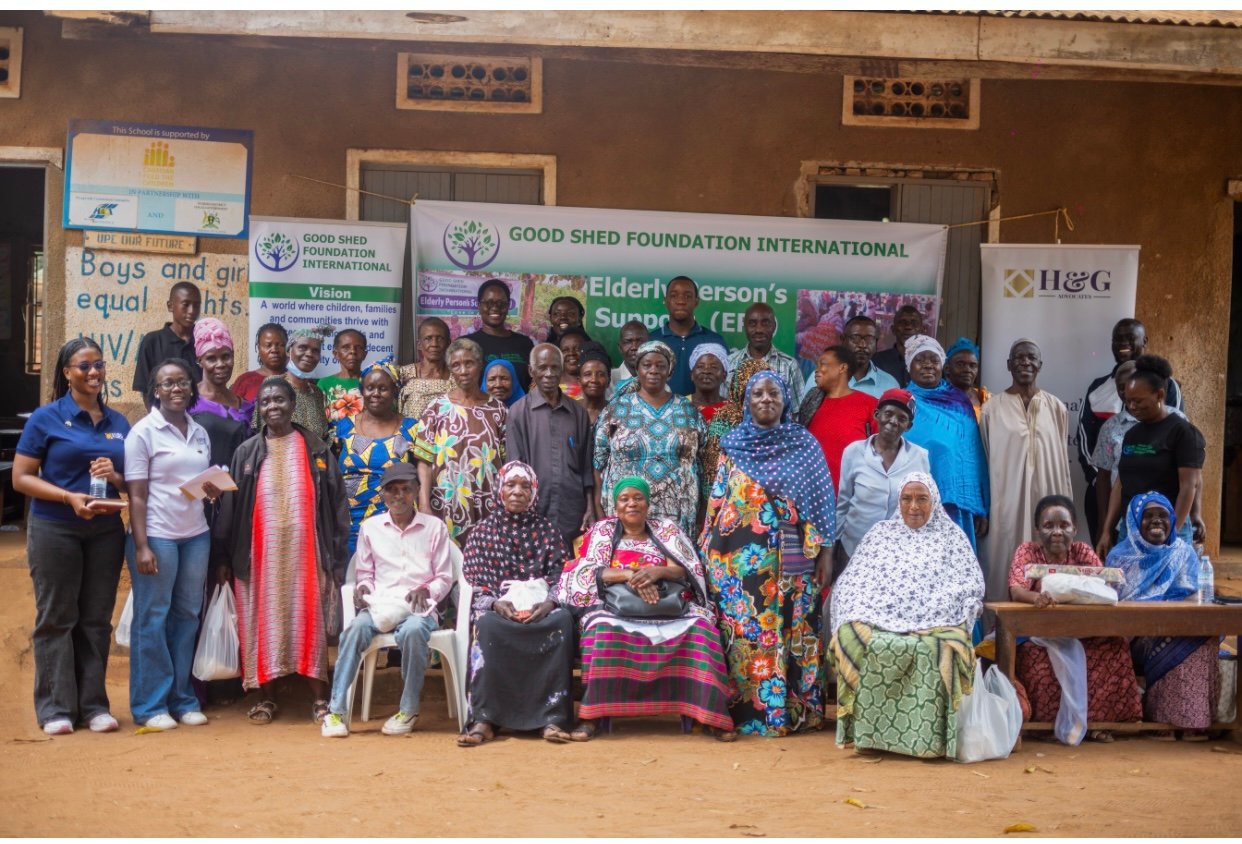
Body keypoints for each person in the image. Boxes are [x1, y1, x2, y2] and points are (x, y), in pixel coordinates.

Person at [701, 371, 836, 736]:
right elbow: (717, 499)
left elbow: (823, 503)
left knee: (795, 632)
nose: (765, 399)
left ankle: (794, 714)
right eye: (757, 393)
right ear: (746, 401)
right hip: (737, 565)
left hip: (792, 560)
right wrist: (706, 551)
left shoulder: (804, 444)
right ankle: (749, 715)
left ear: (785, 399)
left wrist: (825, 553)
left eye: (773, 392)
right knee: (746, 637)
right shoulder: (732, 444)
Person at [213, 376, 350, 725]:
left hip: (308, 556)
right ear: (259, 409)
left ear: (293, 404)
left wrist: (335, 557)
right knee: (262, 623)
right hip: (258, 558)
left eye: (280, 400)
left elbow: (336, 505)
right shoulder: (247, 452)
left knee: (310, 622)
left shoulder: (316, 448)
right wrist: (226, 558)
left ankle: (320, 699)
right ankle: (266, 697)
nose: (273, 406)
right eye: (266, 401)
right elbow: (231, 509)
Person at [557, 477, 735, 741]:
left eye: (638, 498)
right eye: (624, 499)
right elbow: (584, 571)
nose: (632, 504)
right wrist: (630, 576)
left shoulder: (666, 529)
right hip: (617, 607)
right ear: (614, 505)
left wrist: (657, 572)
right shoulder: (603, 531)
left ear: (648, 503)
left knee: (702, 630)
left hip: (668, 605)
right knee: (600, 632)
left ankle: (709, 714)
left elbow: (689, 568)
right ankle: (591, 715)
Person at [14, 338, 129, 735]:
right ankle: (56, 709)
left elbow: (130, 482)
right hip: (55, 527)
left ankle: (94, 706)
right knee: (57, 618)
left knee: (96, 620)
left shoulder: (118, 423)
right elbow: (21, 478)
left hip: (105, 531)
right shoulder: (46, 419)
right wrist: (68, 496)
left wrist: (115, 477)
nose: (94, 372)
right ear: (67, 373)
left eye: (98, 364)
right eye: (84, 366)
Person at [829, 472, 985, 758]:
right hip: (879, 620)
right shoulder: (880, 534)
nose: (914, 506)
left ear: (934, 501)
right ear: (898, 502)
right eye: (906, 499)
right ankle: (866, 736)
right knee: (851, 635)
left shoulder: (951, 538)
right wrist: (870, 611)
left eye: (922, 499)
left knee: (942, 648)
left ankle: (928, 741)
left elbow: (970, 585)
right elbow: (853, 582)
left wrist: (931, 611)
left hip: (936, 623)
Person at [320, 463, 451, 738]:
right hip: (381, 605)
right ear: (383, 495)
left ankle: (409, 709)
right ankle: (336, 712)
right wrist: (362, 589)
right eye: (392, 490)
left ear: (416, 491)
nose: (399, 496)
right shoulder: (371, 528)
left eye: (405, 489)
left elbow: (444, 577)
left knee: (414, 632)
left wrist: (426, 590)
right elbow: (365, 574)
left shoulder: (435, 528)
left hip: (418, 608)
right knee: (354, 630)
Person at [124, 358, 216, 731]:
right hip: (157, 537)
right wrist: (142, 545)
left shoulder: (199, 432)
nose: (176, 388)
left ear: (192, 387)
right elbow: (138, 496)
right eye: (168, 383)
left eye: (182, 382)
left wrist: (210, 490)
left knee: (187, 617)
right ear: (155, 391)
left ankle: (182, 699)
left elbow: (195, 485)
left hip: (195, 536)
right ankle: (149, 706)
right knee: (153, 618)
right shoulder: (143, 433)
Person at [1008, 495, 1141, 744]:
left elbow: (1103, 584)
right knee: (1037, 660)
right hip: (1039, 633)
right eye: (1049, 526)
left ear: (1074, 529)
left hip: (1082, 629)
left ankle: (1101, 724)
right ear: (1038, 529)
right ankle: (1045, 726)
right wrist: (1035, 598)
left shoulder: (1081, 551)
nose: (1057, 532)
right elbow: (1016, 589)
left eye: (1064, 525)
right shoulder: (1028, 551)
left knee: (1114, 648)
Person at [458, 462, 575, 746]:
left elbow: (564, 577)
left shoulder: (548, 531)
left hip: (540, 610)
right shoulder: (483, 531)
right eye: (511, 485)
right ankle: (485, 719)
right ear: (500, 489)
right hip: (500, 610)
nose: (517, 492)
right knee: (486, 624)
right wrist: (496, 604)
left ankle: (551, 719)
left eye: (525, 486)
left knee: (562, 622)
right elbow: (474, 581)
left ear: (534, 492)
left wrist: (549, 603)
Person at [1109, 492, 1217, 740]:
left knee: (1203, 640)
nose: (1156, 521)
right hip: (1133, 634)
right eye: (1148, 516)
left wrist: (1164, 612)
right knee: (1167, 639)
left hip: (1174, 624)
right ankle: (1161, 720)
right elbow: (1112, 602)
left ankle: (1192, 723)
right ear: (1135, 522)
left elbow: (1193, 597)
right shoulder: (1119, 557)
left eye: (1162, 515)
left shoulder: (1183, 552)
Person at [980, 339, 1072, 601]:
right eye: (1018, 358)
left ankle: (1048, 624)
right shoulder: (991, 409)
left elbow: (1061, 455)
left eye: (1031, 358)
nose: (1025, 362)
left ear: (1040, 365)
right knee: (1004, 554)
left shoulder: (1056, 407)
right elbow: (987, 455)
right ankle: (999, 631)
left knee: (1050, 551)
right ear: (1009, 365)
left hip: (1049, 493)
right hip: (1005, 499)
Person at [1078, 319, 1184, 540]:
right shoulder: (1098, 388)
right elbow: (1085, 438)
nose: (1132, 403)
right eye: (1117, 338)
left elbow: (1177, 438)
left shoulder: (1167, 385)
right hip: (1109, 488)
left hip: (1160, 494)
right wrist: (1099, 478)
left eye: (1129, 337)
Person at [594, 340, 705, 537]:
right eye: (647, 365)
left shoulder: (688, 412)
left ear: (669, 371)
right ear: (637, 369)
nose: (653, 370)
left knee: (673, 567)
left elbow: (703, 463)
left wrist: (703, 514)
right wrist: (597, 506)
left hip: (679, 513)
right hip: (628, 511)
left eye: (660, 366)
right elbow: (598, 462)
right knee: (630, 565)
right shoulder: (616, 409)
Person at [1097, 355, 1205, 557]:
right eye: (1128, 401)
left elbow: (1189, 486)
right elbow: (1120, 484)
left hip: (1167, 529)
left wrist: (1171, 538)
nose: (1132, 407)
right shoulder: (1132, 435)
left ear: (1159, 394)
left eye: (1138, 401)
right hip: (1131, 530)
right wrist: (1106, 530)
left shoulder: (1183, 432)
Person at [413, 337, 507, 543]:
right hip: (446, 503)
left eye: (469, 363)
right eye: (456, 365)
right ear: (450, 369)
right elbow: (424, 461)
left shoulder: (498, 410)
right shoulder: (436, 408)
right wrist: (424, 502)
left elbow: (506, 463)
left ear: (480, 365)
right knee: (446, 565)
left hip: (488, 504)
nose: (463, 371)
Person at [901, 335, 990, 551]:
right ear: (909, 366)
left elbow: (973, 457)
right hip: (909, 503)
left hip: (954, 503)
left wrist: (980, 506)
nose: (928, 365)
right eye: (920, 360)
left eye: (934, 360)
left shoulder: (960, 404)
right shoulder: (901, 401)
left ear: (943, 366)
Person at [506, 343, 596, 546]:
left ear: (562, 370)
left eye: (555, 367)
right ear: (531, 371)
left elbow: (586, 468)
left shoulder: (578, 412)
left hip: (572, 511)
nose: (549, 374)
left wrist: (590, 507)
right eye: (542, 367)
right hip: (533, 509)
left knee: (569, 569)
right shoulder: (518, 412)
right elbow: (514, 468)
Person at [836, 389, 930, 570]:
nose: (893, 422)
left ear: (908, 426)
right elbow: (844, 502)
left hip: (899, 552)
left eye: (902, 418)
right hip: (854, 547)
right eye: (888, 414)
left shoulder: (920, 457)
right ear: (877, 415)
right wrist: (834, 547)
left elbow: (924, 504)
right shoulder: (854, 452)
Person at [331, 358, 418, 554]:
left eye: (383, 388)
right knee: (352, 579)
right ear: (362, 391)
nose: (376, 394)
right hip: (350, 521)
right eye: (370, 388)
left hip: (397, 520)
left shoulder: (411, 428)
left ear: (395, 392)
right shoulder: (344, 426)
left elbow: (422, 473)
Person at [797, 345, 878, 493]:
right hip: (813, 495)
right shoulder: (812, 402)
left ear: (842, 368)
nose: (817, 370)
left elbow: (879, 452)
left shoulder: (869, 404)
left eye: (824, 364)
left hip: (853, 497)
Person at [251, 324, 332, 441]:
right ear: (289, 351)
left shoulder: (317, 393)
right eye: (303, 348)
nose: (309, 354)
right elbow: (261, 434)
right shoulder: (274, 385)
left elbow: (323, 437)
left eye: (315, 351)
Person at [189, 318, 251, 468]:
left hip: (237, 488)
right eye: (211, 358)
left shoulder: (247, 408)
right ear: (200, 361)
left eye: (226, 356)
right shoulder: (186, 402)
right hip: (194, 487)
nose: (221, 364)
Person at [652, 276, 726, 396]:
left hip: (704, 412)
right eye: (674, 295)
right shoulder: (652, 341)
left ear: (696, 302)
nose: (681, 301)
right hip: (661, 412)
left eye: (687, 296)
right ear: (666, 301)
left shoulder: (714, 341)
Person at [462, 278, 536, 392]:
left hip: (519, 409)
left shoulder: (525, 344)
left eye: (501, 303)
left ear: (508, 306)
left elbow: (533, 383)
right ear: (479, 306)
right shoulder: (465, 345)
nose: (495, 307)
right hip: (477, 409)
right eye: (489, 302)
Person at [133, 281, 202, 399]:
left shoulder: (203, 340)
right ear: (170, 306)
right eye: (186, 304)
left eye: (196, 305)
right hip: (163, 415)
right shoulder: (153, 342)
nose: (192, 311)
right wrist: (158, 417)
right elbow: (146, 391)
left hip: (200, 415)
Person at [726, 302, 805, 402]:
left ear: (774, 326)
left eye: (765, 323)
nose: (759, 329)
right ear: (744, 326)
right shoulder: (729, 363)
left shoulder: (790, 366)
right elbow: (722, 409)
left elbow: (797, 413)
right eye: (752, 323)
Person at [399, 317, 452, 419]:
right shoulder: (404, 374)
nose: (434, 344)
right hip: (410, 434)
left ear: (448, 343)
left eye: (440, 338)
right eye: (428, 338)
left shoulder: (457, 378)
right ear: (419, 344)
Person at [841, 315, 900, 399]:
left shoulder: (890, 385)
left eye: (869, 339)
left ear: (876, 342)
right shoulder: (822, 378)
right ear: (843, 340)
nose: (862, 345)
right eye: (855, 338)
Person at [318, 328, 367, 424]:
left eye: (358, 347)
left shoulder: (372, 384)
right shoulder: (324, 384)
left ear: (365, 354)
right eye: (346, 347)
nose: (353, 351)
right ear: (336, 354)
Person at [232, 322, 288, 404]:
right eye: (268, 345)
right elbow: (233, 413)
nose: (274, 350)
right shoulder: (245, 381)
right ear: (258, 348)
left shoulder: (297, 381)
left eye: (280, 345)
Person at [871, 304, 923, 387]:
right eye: (902, 322)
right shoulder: (877, 361)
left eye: (914, 323)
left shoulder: (931, 363)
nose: (908, 327)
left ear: (922, 330)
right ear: (893, 329)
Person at [944, 337, 989, 422]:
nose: (967, 370)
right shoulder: (938, 397)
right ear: (947, 368)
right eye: (960, 364)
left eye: (972, 365)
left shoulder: (984, 398)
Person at [688, 342, 729, 421]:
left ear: (724, 376)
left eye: (714, 367)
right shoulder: (680, 406)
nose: (706, 371)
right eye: (700, 366)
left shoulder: (732, 410)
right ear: (692, 374)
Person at [609, 319, 649, 397]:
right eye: (628, 342)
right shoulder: (609, 379)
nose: (634, 347)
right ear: (620, 348)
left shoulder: (656, 379)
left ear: (649, 345)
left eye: (639, 341)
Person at [578, 343, 612, 427]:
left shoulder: (617, 412)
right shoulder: (571, 411)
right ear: (579, 381)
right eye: (587, 374)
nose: (594, 380)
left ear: (609, 381)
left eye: (601, 374)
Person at [556, 325, 588, 400]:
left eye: (577, 349)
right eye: (565, 350)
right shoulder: (551, 381)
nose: (571, 353)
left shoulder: (593, 382)